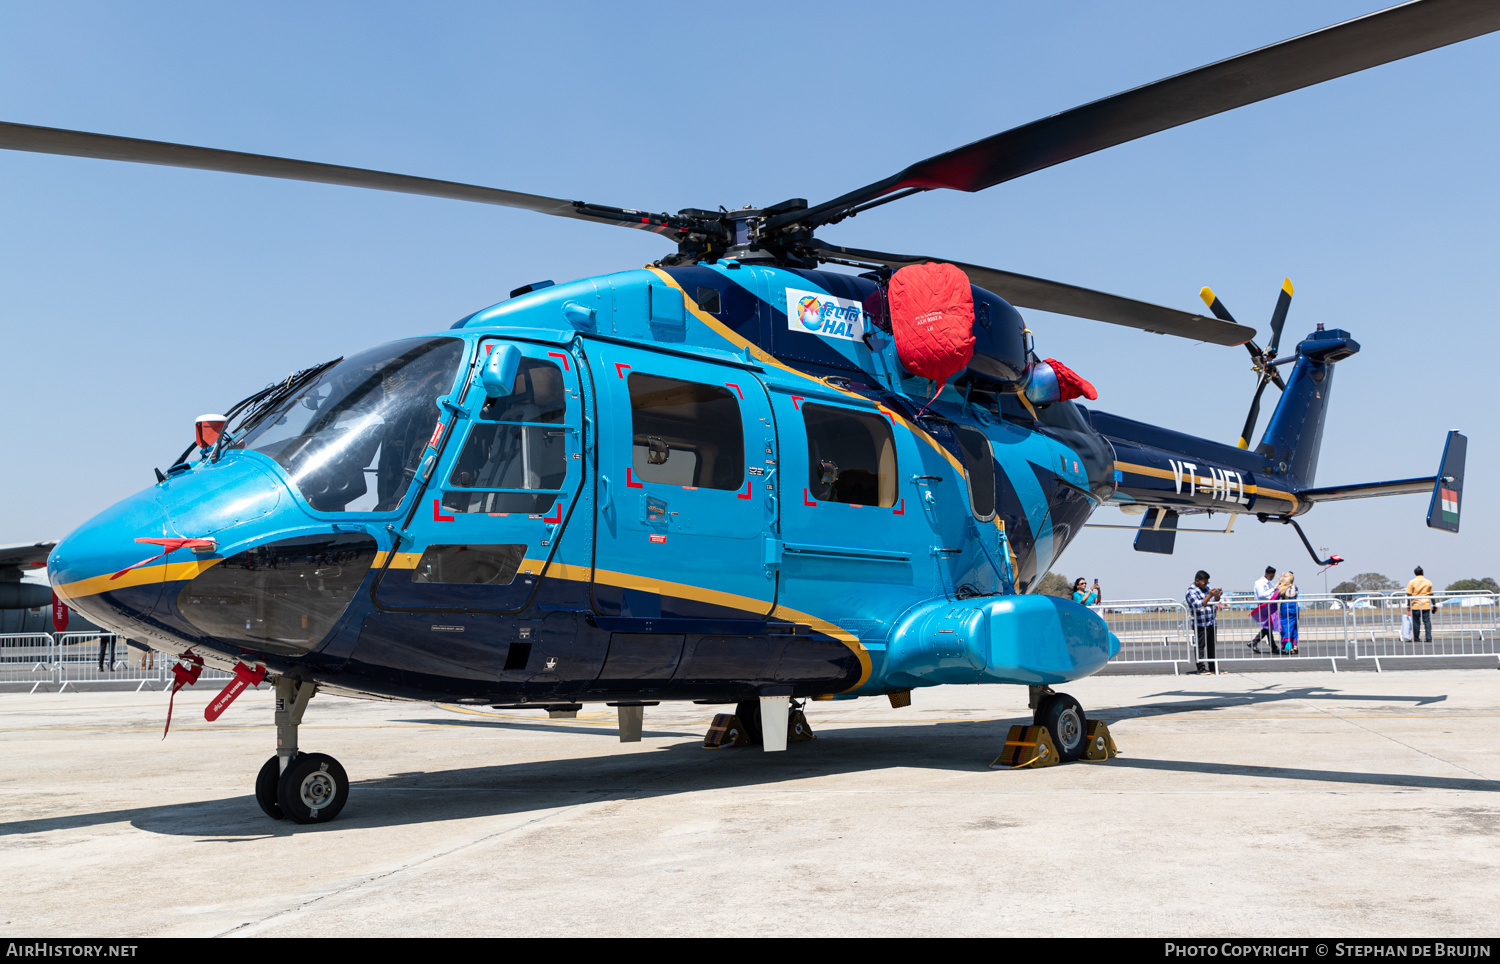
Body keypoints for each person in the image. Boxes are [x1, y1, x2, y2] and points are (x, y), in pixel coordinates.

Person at [1185, 570, 1224, 674]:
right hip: (1200, 624)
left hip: (1211, 622)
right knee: (1200, 647)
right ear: (1197, 580)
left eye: (1207, 582)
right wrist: (1209, 596)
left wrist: (1216, 596)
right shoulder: (1191, 591)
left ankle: (1212, 668)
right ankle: (1201, 668)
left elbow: (1213, 602)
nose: (1206, 585)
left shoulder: (1207, 589)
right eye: (1204, 582)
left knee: (1211, 646)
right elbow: (1197, 605)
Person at [1250, 566, 1277, 653]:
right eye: (1271, 576)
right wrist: (1273, 589)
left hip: (1268, 605)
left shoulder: (1269, 583)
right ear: (1267, 574)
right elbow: (1262, 595)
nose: (1272, 578)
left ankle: (1273, 647)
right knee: (1268, 626)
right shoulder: (1259, 582)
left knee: (1268, 626)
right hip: (1262, 605)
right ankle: (1255, 642)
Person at [1406, 566, 1434, 642]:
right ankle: (1428, 637)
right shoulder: (1428, 582)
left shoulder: (1411, 582)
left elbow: (1409, 594)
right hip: (1425, 604)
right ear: (1422, 573)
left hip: (1415, 604)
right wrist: (1434, 604)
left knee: (1416, 622)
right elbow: (1431, 594)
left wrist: (1408, 604)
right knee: (1427, 621)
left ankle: (1416, 637)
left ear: (1415, 573)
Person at [1275, 571, 1300, 655]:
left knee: (1285, 626)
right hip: (1294, 606)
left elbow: (1275, 592)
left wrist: (1279, 581)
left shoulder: (1282, 588)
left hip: (1285, 607)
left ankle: (1288, 645)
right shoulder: (1295, 587)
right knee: (1294, 625)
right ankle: (1294, 645)